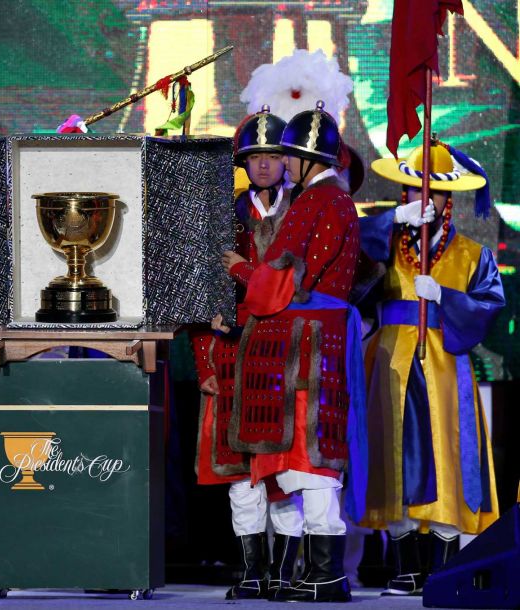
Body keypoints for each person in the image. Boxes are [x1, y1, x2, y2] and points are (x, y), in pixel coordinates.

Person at [223, 102, 365, 603]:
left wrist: (240, 268)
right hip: (319, 337)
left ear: (304, 159)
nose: (280, 163)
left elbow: (278, 285)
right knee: (314, 454)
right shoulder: (334, 200)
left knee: (311, 455)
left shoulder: (314, 203)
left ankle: (326, 575)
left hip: (306, 344)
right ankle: (321, 573)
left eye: (287, 155)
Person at [359, 138, 503, 595]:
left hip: (445, 365)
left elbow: (490, 305)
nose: (424, 201)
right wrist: (390, 223)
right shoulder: (384, 244)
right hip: (391, 361)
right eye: (414, 194)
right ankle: (404, 568)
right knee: (394, 456)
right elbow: (347, 254)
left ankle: (440, 569)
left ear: (449, 200)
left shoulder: (472, 254)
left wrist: (447, 298)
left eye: (434, 194)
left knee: (445, 457)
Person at [192, 105, 303, 599]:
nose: (263, 164)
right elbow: (199, 291)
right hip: (231, 357)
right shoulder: (225, 215)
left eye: (274, 155)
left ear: (288, 161)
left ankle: (286, 570)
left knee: (283, 468)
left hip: (285, 355)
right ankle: (253, 570)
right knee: (241, 475)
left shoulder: (304, 212)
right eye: (254, 156)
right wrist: (203, 362)